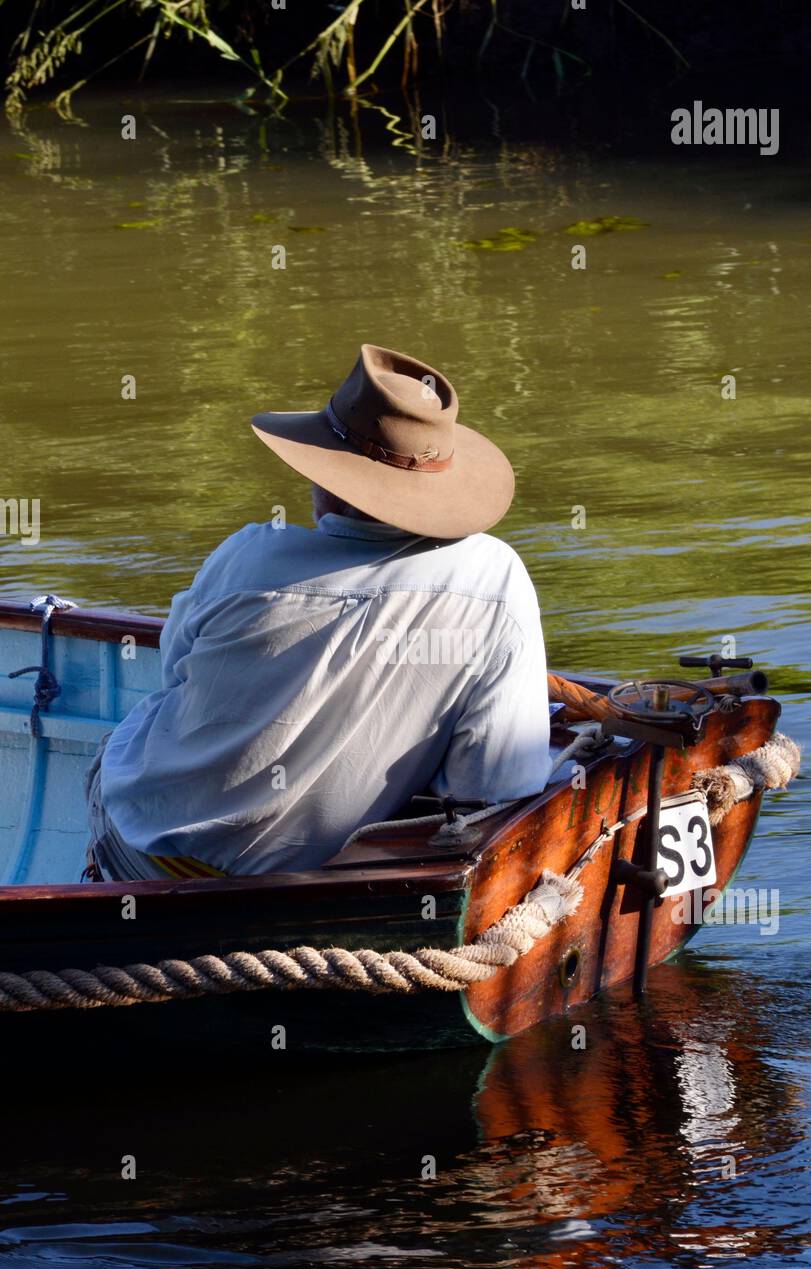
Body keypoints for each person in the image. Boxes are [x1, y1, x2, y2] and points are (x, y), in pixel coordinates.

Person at [86, 344, 553, 881]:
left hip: (159, 858)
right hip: (323, 888)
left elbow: (173, 675)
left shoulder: (247, 556)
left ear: (326, 476)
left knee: (117, 750)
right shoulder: (495, 581)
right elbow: (491, 788)